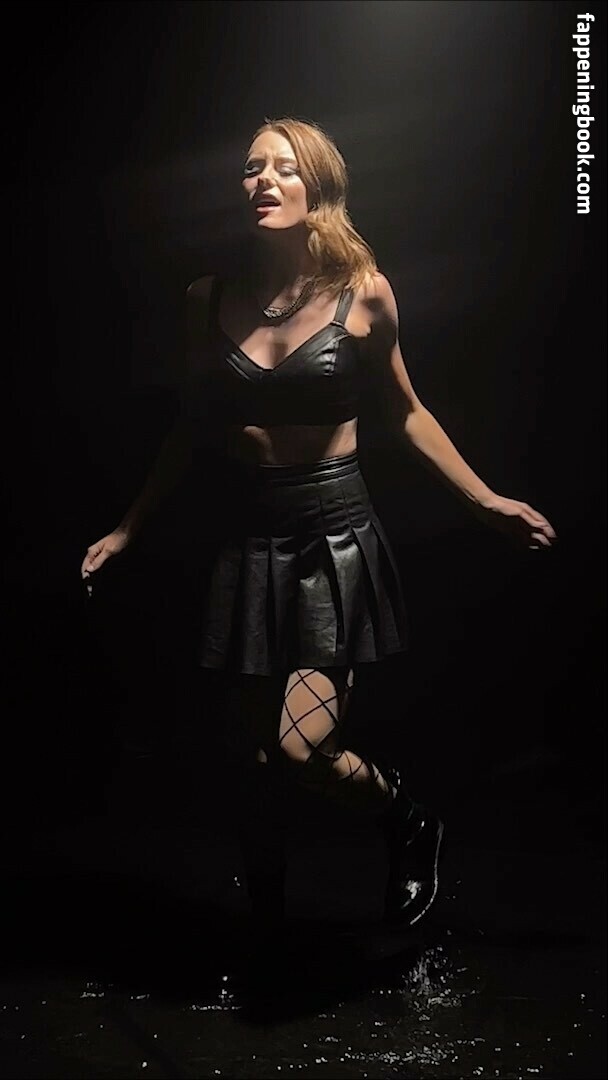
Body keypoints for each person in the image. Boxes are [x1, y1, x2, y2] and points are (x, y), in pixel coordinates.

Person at [80, 117, 557, 932]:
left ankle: (408, 820)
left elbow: (406, 413)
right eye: (250, 168)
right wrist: (128, 528)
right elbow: (192, 425)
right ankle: (265, 925)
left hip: (332, 533)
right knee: (253, 758)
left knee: (304, 747)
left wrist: (485, 501)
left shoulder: (361, 291)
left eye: (283, 167)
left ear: (318, 186)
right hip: (248, 533)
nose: (262, 180)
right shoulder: (208, 298)